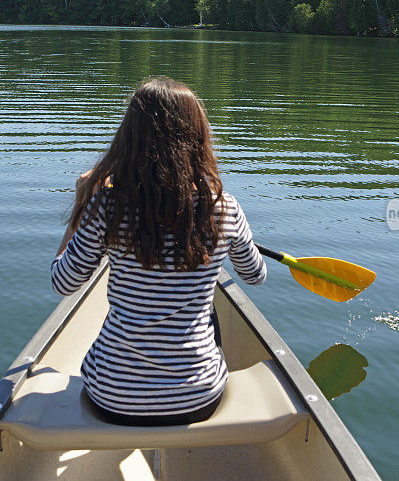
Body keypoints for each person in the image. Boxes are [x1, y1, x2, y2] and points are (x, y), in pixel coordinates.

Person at [50, 77, 266, 427]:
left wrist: (83, 203)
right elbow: (255, 275)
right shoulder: (224, 208)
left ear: (130, 138)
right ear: (198, 137)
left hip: (112, 397)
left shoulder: (108, 206)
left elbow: (62, 283)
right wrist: (235, 233)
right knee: (210, 310)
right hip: (198, 397)